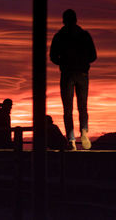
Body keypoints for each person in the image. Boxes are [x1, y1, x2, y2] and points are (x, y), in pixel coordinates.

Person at [50, 9, 97, 150]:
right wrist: (83, 63)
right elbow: (93, 56)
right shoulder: (84, 35)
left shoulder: (59, 36)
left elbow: (52, 57)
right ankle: (84, 132)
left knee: (67, 109)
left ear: (64, 20)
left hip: (67, 74)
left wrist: (64, 63)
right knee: (82, 106)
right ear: (76, 20)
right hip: (82, 74)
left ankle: (70, 139)